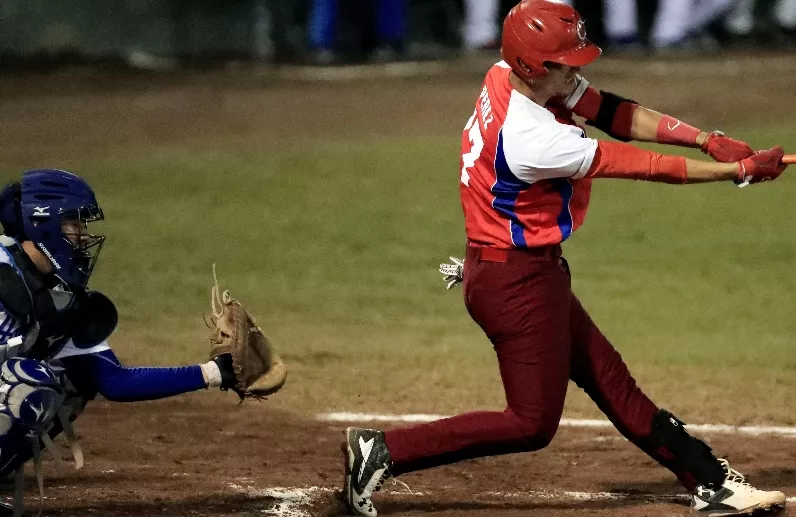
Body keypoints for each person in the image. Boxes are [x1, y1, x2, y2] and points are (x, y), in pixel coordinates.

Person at [341, 1, 789, 516]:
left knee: (608, 377)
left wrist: (708, 140)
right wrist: (737, 173)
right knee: (531, 423)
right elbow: (643, 165)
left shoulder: (505, 75)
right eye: (566, 61)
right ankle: (381, 451)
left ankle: (711, 482)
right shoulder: (533, 138)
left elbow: (613, 112)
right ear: (537, 66)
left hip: (518, 271)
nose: (577, 69)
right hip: (515, 282)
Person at [0, 169, 252, 516]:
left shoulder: (59, 299)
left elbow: (113, 380)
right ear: (43, 223)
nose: (84, 235)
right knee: (27, 383)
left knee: (68, 381)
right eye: (74, 224)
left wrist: (215, 373)